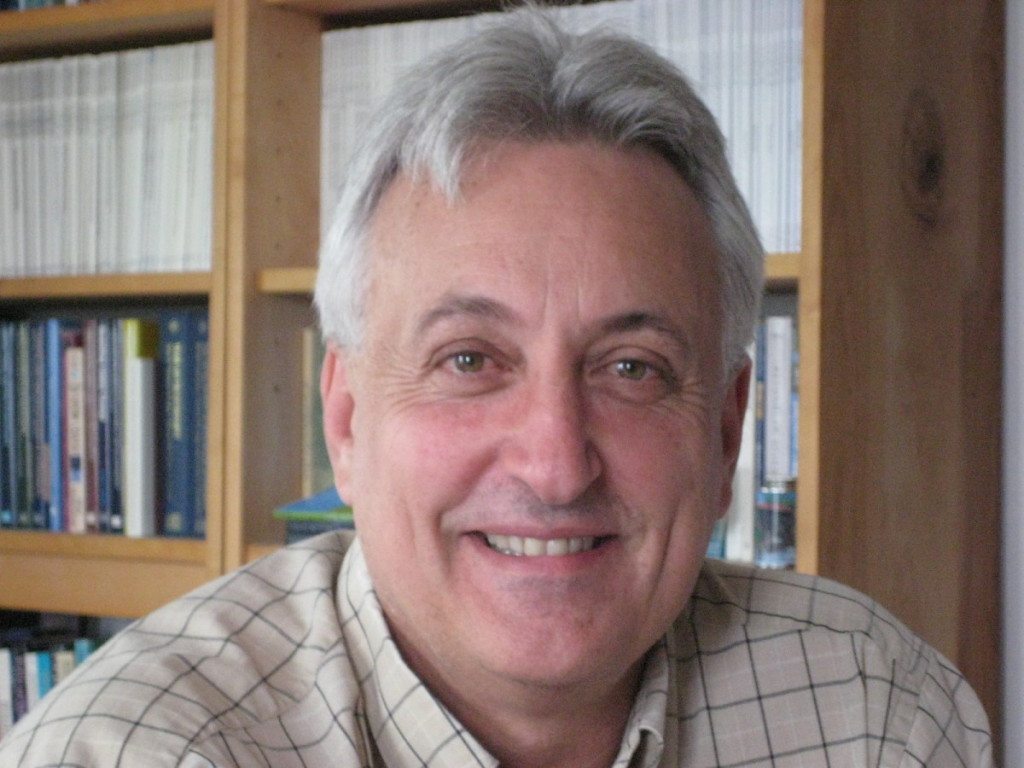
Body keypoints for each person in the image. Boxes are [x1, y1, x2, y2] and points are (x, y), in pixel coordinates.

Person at [0, 6, 993, 767]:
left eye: (632, 368)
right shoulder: (133, 752)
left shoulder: (877, 715)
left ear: (728, 432)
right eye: (469, 360)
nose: (556, 465)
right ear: (345, 420)